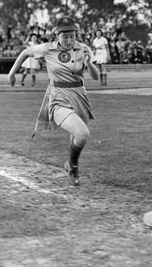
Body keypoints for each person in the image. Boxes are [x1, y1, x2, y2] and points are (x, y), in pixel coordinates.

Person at [7, 17, 100, 186]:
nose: (69, 40)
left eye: (72, 36)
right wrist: (12, 73)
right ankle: (73, 165)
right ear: (57, 35)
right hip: (58, 97)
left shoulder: (83, 49)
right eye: (65, 36)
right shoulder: (48, 49)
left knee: (77, 137)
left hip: (80, 96)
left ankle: (71, 164)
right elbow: (25, 53)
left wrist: (89, 64)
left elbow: (96, 76)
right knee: (83, 133)